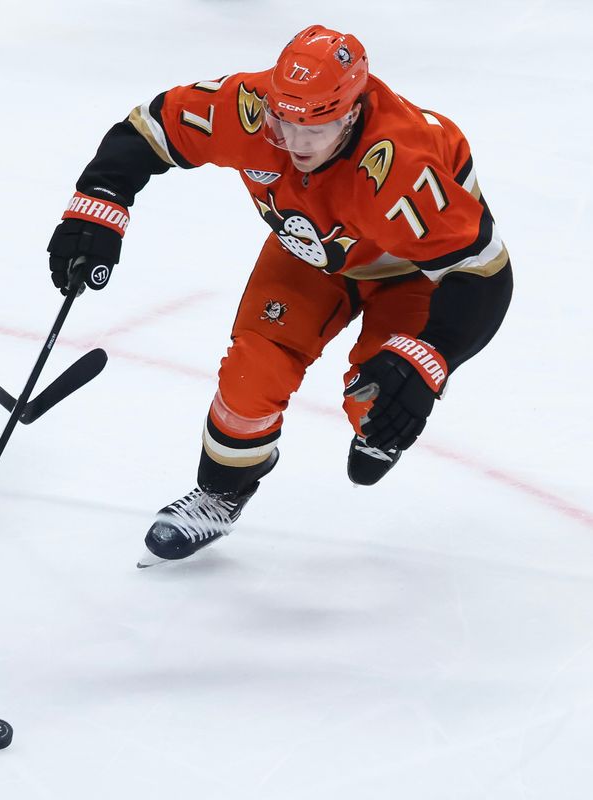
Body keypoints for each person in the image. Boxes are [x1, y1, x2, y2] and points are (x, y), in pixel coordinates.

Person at [46, 25, 513, 566]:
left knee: (379, 399)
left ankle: (378, 419)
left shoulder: (403, 165)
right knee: (250, 375)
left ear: (355, 112)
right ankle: (222, 493)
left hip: (413, 272)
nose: (295, 143)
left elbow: (485, 275)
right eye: (284, 122)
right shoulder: (248, 106)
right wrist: (100, 205)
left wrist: (428, 358)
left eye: (317, 128)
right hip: (310, 252)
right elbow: (151, 129)